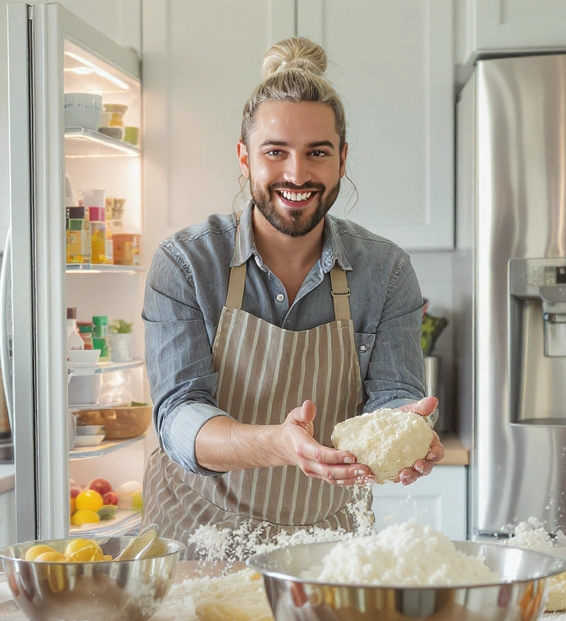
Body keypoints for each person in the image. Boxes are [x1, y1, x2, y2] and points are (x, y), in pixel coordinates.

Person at [141, 37, 443, 551]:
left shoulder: (386, 270)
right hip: (195, 537)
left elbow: (394, 392)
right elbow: (179, 415)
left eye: (317, 153)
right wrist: (277, 444)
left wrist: (403, 428)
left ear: (342, 159)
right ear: (244, 157)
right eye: (275, 152)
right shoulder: (187, 264)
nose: (297, 174)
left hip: (326, 545)